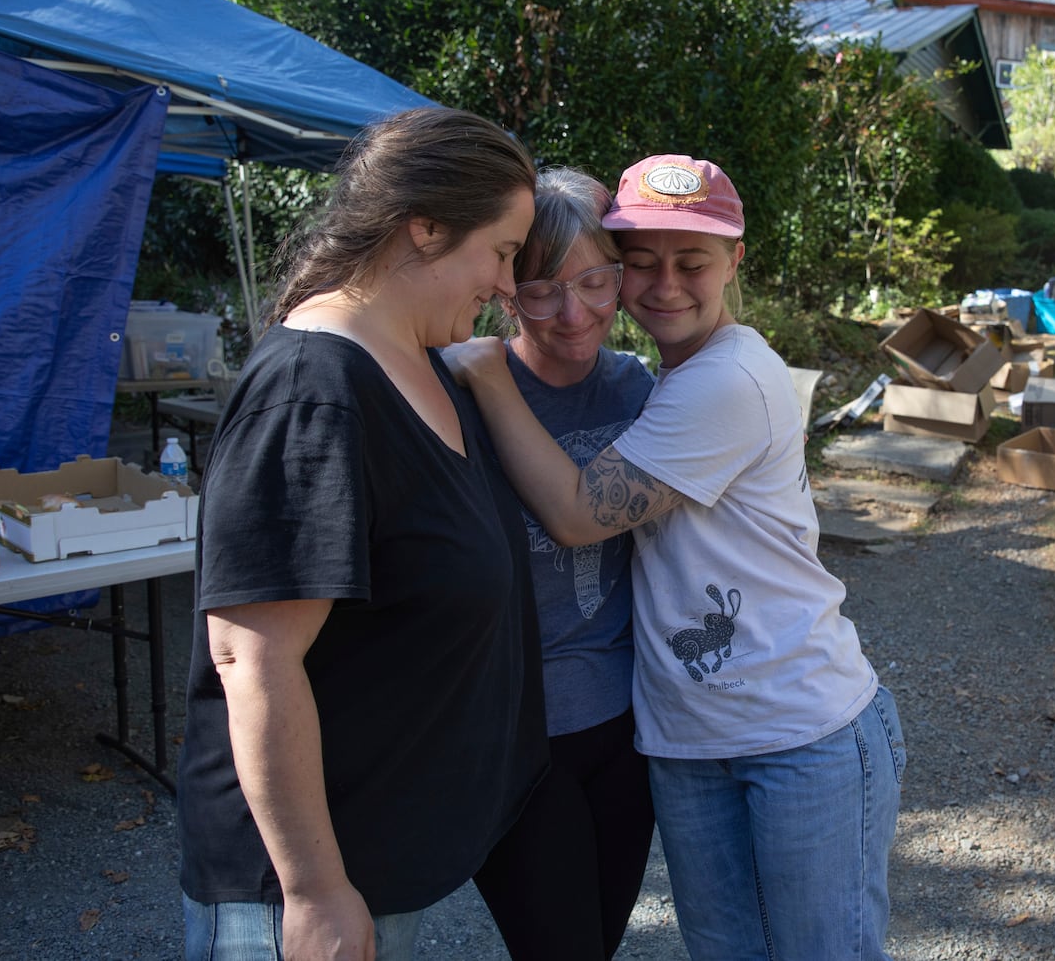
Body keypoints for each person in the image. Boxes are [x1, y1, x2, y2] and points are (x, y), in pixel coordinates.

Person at [445, 155, 905, 961]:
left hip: (798, 727)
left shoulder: (720, 380)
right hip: (684, 735)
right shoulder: (661, 379)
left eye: (691, 262)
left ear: (735, 260)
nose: (662, 286)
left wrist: (488, 376)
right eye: (642, 265)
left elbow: (580, 513)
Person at [176, 107, 548, 961]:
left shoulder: (420, 361)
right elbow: (252, 656)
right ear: (424, 229)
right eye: (499, 251)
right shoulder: (313, 390)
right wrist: (313, 890)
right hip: (296, 887)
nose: (506, 285)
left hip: (375, 864)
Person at [469, 168, 657, 960]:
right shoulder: (465, 389)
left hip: (625, 729)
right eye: (543, 289)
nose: (573, 312)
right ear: (507, 291)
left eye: (595, 281)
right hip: (513, 735)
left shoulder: (640, 390)